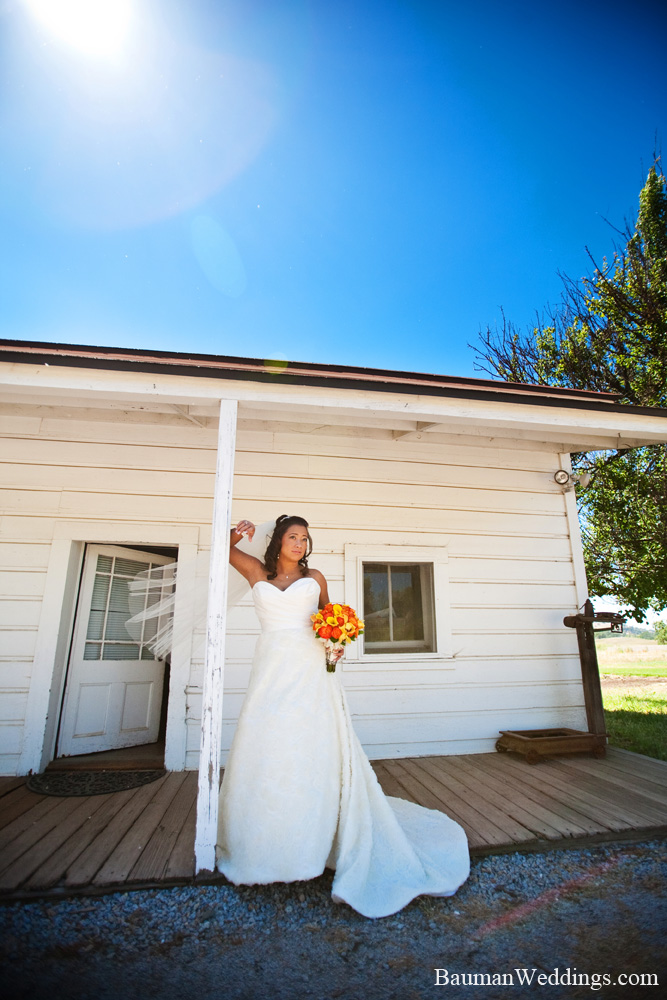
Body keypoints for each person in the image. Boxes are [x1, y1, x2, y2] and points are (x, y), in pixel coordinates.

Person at [215, 514, 470, 918]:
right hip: (270, 671)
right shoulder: (257, 572)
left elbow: (331, 623)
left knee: (310, 744)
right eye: (292, 537)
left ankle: (314, 840)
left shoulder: (314, 577)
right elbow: (221, 552)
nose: (299, 543)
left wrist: (338, 644)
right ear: (278, 541)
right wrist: (233, 535)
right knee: (268, 744)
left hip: (311, 671)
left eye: (304, 538)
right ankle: (260, 845)